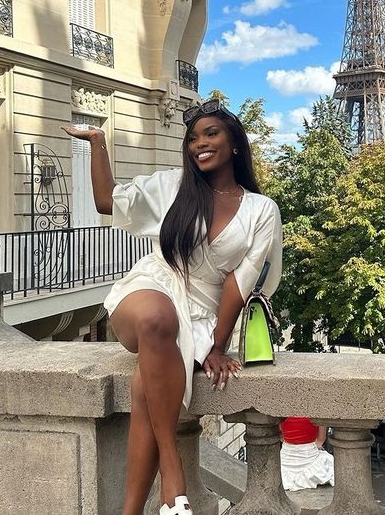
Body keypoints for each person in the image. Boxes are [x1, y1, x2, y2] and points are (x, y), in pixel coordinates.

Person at [62, 99, 283, 515]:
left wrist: (217, 345)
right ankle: (173, 471)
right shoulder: (174, 185)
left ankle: (130, 511)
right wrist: (97, 143)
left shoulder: (260, 210)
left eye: (211, 133)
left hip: (203, 311)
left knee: (148, 386)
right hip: (153, 285)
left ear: (235, 143)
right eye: (193, 137)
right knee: (156, 319)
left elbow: (239, 283)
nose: (199, 143)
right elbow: (107, 201)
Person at [279, 417, 335, 492]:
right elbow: (321, 439)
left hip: (286, 458)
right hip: (309, 454)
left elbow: (281, 438)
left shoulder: (281, 410)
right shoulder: (317, 409)